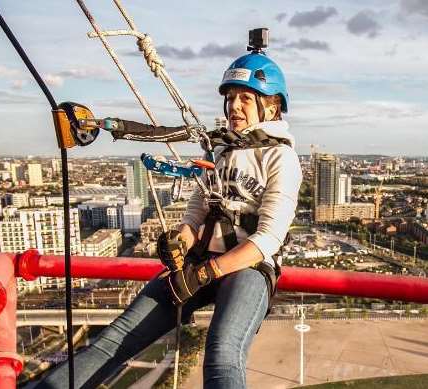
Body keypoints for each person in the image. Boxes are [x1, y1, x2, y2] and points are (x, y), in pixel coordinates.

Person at [37, 41, 302, 389]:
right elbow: (196, 212)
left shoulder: (281, 159)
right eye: (230, 97)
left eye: (246, 98)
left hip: (248, 269)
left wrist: (206, 273)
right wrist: (181, 240)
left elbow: (267, 238)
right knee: (114, 339)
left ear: (272, 106)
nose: (234, 106)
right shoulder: (221, 150)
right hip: (199, 263)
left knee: (222, 355)